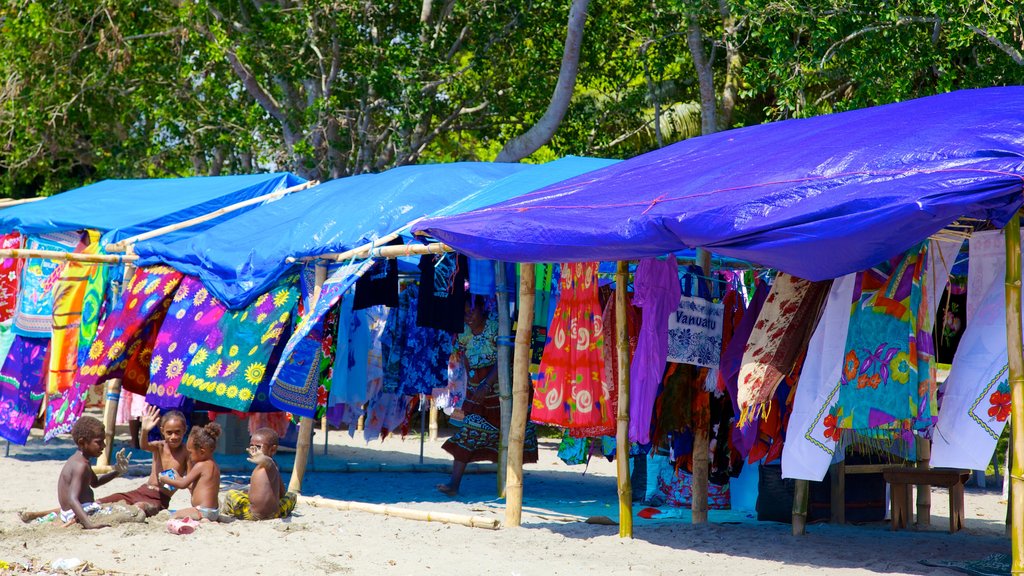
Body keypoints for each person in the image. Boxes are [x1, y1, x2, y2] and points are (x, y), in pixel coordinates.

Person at [436, 295, 537, 496]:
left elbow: (505, 357)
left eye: (471, 311)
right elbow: (462, 357)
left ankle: (512, 485)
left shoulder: (497, 326)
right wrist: (473, 384)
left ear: (482, 308)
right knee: (469, 431)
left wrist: (486, 384)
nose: (468, 317)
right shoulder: (463, 332)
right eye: (464, 313)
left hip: (504, 390)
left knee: (512, 436)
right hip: (478, 392)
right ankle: (454, 484)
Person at [19, 416, 131, 528]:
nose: (103, 446)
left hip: (70, 512)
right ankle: (74, 521)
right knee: (130, 512)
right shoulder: (81, 466)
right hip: (79, 512)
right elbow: (72, 499)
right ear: (82, 442)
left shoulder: (80, 460)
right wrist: (89, 524)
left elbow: (95, 483)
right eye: (99, 442)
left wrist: (117, 471)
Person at [97, 406, 189, 516]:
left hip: (159, 499)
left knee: (140, 507)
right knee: (102, 502)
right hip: (142, 490)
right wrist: (145, 431)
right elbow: (144, 445)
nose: (173, 437)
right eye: (169, 433)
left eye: (177, 432)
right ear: (162, 431)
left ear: (184, 430)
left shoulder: (186, 453)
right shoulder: (160, 447)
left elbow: (191, 480)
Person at [220, 427, 297, 520]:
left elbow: (268, 462)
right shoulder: (274, 466)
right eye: (251, 446)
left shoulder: (270, 465)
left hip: (253, 514)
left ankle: (226, 511)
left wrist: (263, 459)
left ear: (272, 450)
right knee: (292, 496)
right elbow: (282, 493)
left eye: (258, 447)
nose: (253, 450)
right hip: (276, 513)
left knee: (231, 494)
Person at [159, 421, 221, 521]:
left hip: (202, 511)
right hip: (213, 511)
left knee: (174, 515)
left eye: (191, 452)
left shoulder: (200, 465)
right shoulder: (214, 466)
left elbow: (183, 485)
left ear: (201, 452)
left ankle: (203, 520)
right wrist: (178, 478)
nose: (190, 456)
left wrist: (165, 480)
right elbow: (192, 486)